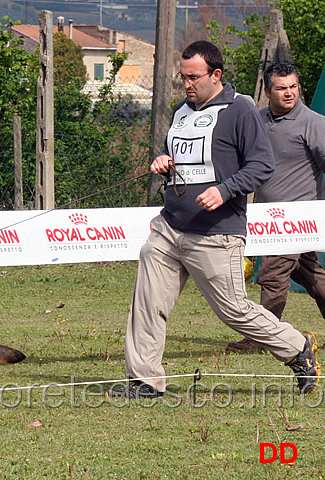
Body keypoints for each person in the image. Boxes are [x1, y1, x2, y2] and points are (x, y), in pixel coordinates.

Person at [109, 42, 320, 399]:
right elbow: (175, 151)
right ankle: (145, 382)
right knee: (147, 302)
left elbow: (261, 165)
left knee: (234, 310)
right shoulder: (182, 111)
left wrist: (225, 190)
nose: (187, 84)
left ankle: (297, 346)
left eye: (194, 77)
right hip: (170, 226)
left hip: (216, 233)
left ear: (216, 75)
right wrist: (163, 159)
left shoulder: (241, 111)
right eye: (183, 77)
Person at [226, 63, 325, 353]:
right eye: (282, 88)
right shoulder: (257, 120)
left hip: (297, 218)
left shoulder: (313, 122)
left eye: (293, 87)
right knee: (308, 273)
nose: (289, 93)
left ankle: (261, 337)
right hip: (266, 217)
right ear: (268, 91)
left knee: (271, 275)